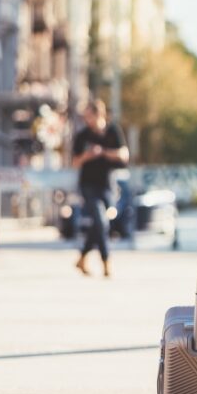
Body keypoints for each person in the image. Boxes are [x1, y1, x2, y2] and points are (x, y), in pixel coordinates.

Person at [72, 99, 129, 277]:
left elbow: (124, 155)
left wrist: (103, 152)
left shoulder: (113, 131)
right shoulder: (82, 136)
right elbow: (74, 162)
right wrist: (88, 155)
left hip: (108, 185)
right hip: (88, 185)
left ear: (99, 114)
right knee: (100, 220)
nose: (87, 120)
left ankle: (82, 257)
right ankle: (106, 262)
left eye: (89, 116)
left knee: (100, 223)